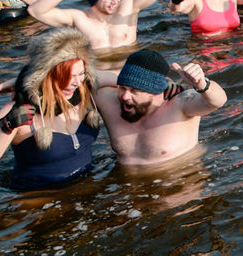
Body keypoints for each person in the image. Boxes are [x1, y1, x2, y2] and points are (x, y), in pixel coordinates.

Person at [0, 28, 102, 190]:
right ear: (46, 74)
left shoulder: (83, 93)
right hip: (37, 201)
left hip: (85, 187)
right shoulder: (18, 110)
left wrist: (16, 81)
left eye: (81, 74)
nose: (76, 82)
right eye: (67, 76)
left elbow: (121, 79)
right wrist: (6, 125)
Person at [96, 48, 227, 168]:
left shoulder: (180, 105)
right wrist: (125, 77)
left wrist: (202, 84)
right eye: (123, 87)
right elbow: (84, 76)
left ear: (156, 91)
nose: (125, 96)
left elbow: (218, 101)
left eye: (134, 91)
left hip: (178, 183)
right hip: (128, 188)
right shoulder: (111, 102)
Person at [28, 0, 170, 52]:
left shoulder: (128, 8)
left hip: (128, 65)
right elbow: (35, 11)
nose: (115, 1)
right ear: (94, 0)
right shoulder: (79, 18)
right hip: (100, 71)